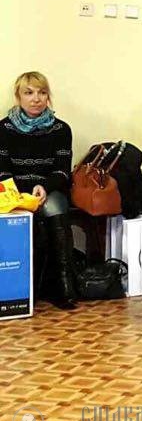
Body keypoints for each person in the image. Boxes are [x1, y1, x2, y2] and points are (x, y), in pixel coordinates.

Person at [0, 72, 77, 310]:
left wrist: (44, 187)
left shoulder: (61, 129)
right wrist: (24, 194)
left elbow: (63, 171)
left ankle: (63, 285)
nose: (36, 99)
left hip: (48, 190)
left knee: (54, 207)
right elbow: (2, 171)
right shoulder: (3, 129)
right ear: (18, 97)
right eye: (29, 93)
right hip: (14, 192)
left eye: (42, 93)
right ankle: (23, 288)